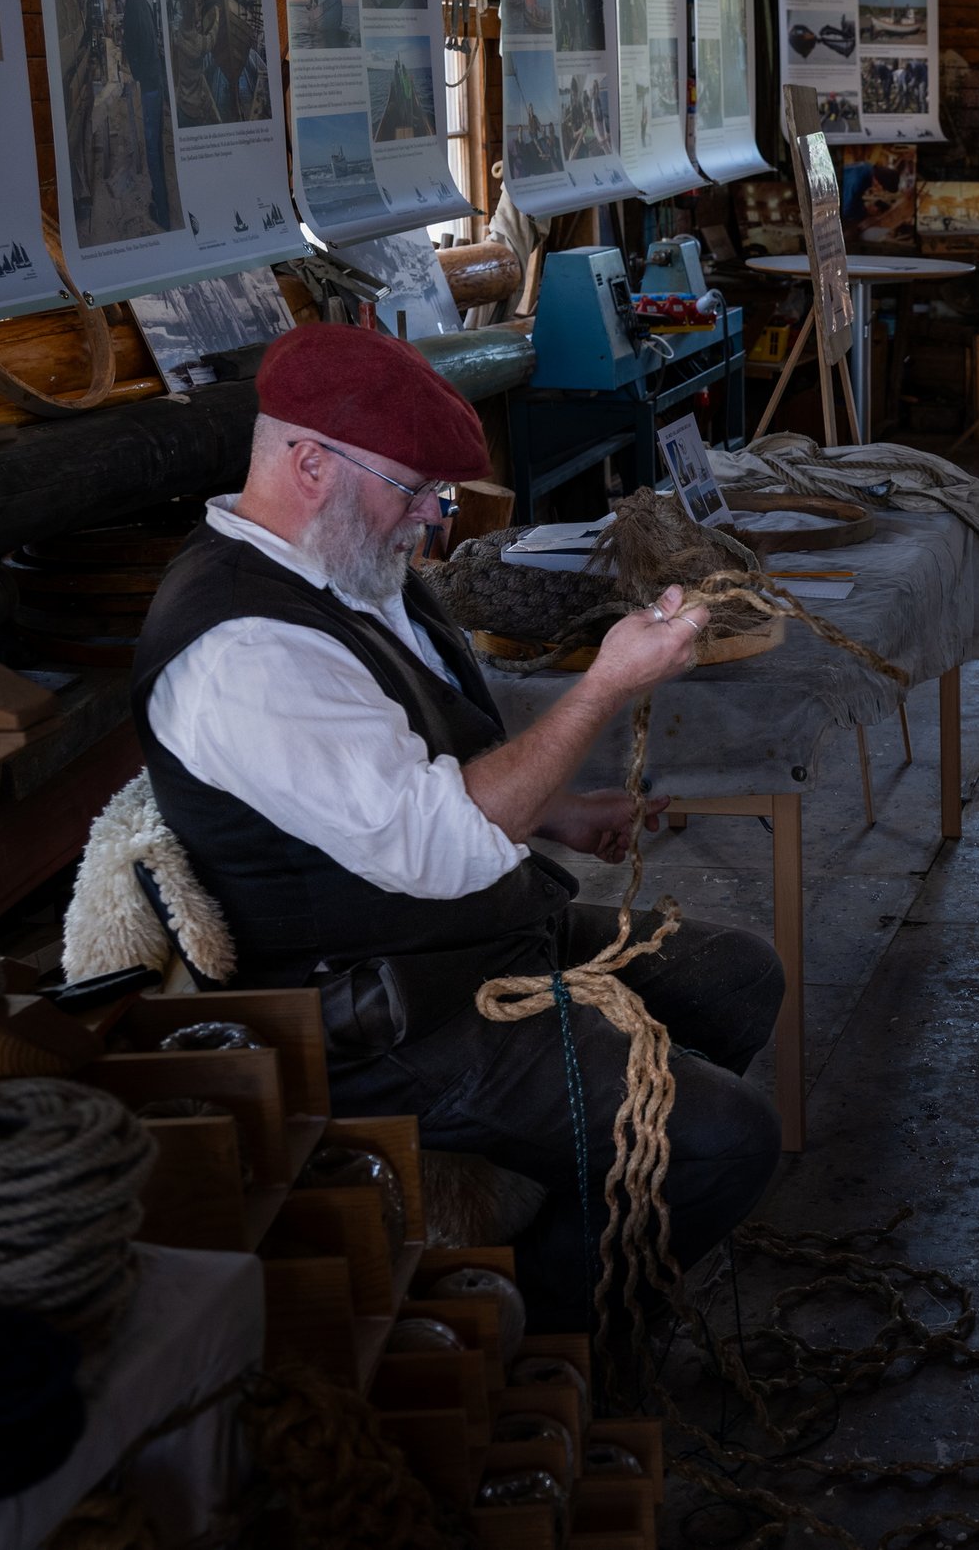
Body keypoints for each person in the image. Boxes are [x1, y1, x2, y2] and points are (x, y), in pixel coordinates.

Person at [132, 325, 786, 1332]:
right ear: (309, 464)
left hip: (463, 940)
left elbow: (417, 771)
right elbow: (438, 840)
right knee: (727, 1138)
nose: (434, 515)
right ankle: (540, 1335)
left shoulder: (347, 569)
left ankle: (606, 1219)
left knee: (736, 976)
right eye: (413, 488)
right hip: (386, 1016)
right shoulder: (244, 650)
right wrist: (606, 685)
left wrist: (558, 811)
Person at [116, 0, 171, 231]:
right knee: (157, 143)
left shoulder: (130, 10)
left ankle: (163, 214)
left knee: (152, 149)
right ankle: (160, 199)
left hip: (149, 85)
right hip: (156, 79)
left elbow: (134, 46)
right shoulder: (143, 2)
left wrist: (134, 73)